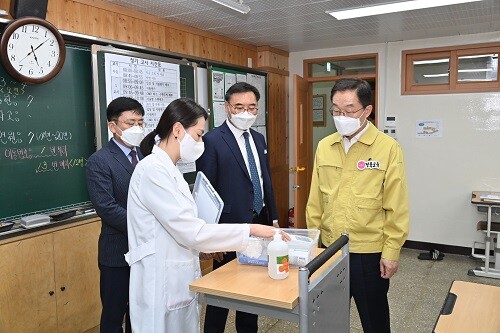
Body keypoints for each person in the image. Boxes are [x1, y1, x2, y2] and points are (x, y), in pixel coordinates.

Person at [125, 97, 285, 332]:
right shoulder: (152, 171)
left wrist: (200, 250)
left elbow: (181, 228)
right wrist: (251, 229)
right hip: (159, 281)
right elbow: (192, 231)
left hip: (176, 276)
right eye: (199, 135)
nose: (201, 142)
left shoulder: (169, 169)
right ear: (178, 130)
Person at [306, 78, 410, 333]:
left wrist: (391, 251)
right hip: (330, 249)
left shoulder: (388, 148)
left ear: (367, 110)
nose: (342, 117)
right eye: (336, 110)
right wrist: (312, 245)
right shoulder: (325, 146)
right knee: (327, 317)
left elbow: (397, 204)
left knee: (374, 318)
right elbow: (315, 201)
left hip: (369, 251)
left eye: (349, 110)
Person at [196, 82, 279, 333]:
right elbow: (206, 192)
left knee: (251, 290)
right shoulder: (211, 140)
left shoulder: (258, 137)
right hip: (227, 230)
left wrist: (273, 217)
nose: (246, 112)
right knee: (220, 296)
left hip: (259, 225)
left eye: (252, 107)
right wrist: (209, 238)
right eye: (239, 106)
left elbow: (265, 180)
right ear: (227, 108)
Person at [86, 97, 145, 333]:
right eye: (130, 123)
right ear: (113, 126)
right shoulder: (99, 161)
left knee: (139, 311)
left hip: (145, 250)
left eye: (140, 122)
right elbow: (106, 207)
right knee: (113, 314)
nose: (137, 128)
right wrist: (143, 225)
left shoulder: (146, 155)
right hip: (117, 251)